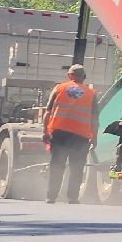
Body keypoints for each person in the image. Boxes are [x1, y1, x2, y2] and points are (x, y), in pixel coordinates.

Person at [42, 63, 98, 204]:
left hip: (60, 133)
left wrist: (45, 131)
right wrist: (94, 137)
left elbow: (47, 113)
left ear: (69, 76)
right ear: (84, 77)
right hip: (81, 136)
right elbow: (95, 119)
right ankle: (72, 198)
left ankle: (51, 196)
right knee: (77, 168)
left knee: (57, 165)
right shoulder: (91, 94)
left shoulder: (59, 89)